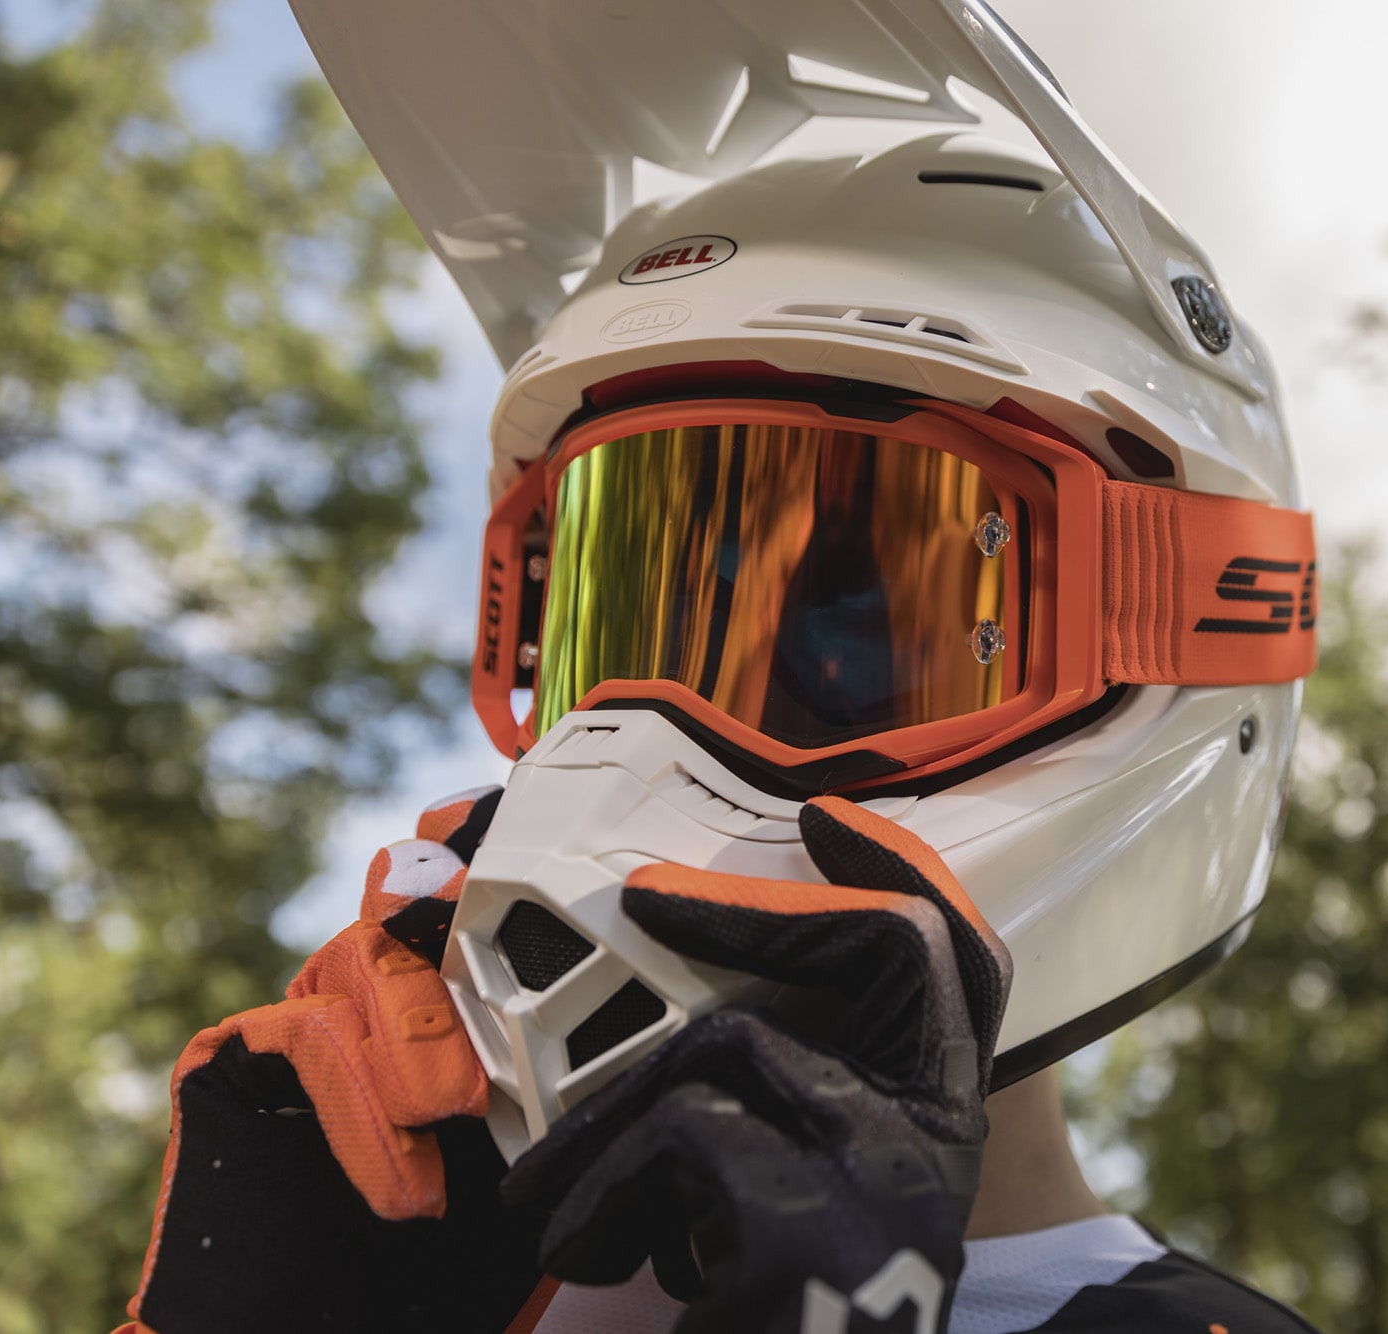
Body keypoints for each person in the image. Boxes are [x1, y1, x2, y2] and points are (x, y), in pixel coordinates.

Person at [120, 2, 1326, 1329]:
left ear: (1189, 638)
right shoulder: (441, 1271)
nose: (642, 745)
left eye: (850, 628)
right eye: (621, 619)